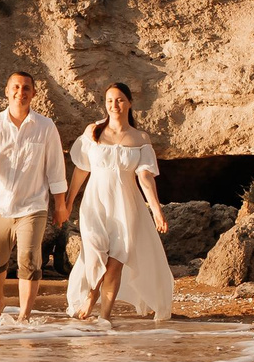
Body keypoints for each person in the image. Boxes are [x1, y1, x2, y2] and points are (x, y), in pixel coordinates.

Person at [65, 81, 175, 324]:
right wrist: (68, 201)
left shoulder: (140, 137)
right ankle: (90, 298)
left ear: (130, 103)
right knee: (95, 254)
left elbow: (145, 177)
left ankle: (105, 316)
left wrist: (156, 210)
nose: (114, 105)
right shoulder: (92, 131)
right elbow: (81, 170)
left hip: (127, 205)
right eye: (109, 100)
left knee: (116, 261)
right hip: (95, 203)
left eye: (120, 100)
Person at [0, 70, 68, 324]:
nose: (20, 92)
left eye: (26, 88)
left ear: (33, 93)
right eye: (16, 87)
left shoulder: (46, 127)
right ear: (7, 91)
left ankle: (24, 316)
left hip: (32, 206)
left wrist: (60, 205)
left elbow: (56, 168)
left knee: (29, 261)